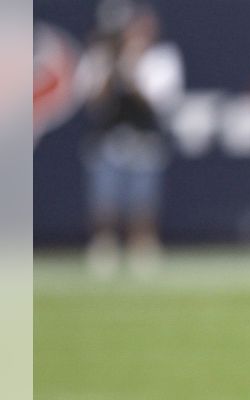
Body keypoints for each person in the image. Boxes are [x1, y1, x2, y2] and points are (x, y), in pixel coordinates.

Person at [77, 0, 183, 278]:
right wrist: (111, 65)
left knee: (143, 202)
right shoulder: (99, 57)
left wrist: (131, 67)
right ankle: (104, 249)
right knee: (104, 200)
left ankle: (142, 249)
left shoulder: (160, 58)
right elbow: (94, 102)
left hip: (143, 140)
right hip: (109, 141)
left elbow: (156, 102)